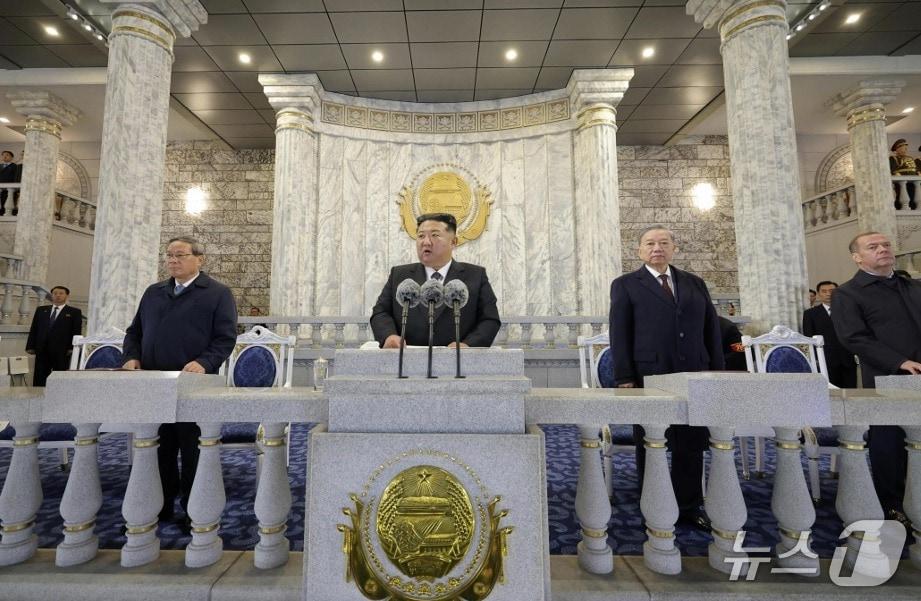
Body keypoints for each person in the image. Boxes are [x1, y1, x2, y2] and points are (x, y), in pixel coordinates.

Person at [609, 225, 724, 530]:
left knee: (691, 441)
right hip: (650, 374)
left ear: (674, 248)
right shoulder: (626, 285)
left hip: (694, 373)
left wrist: (717, 371)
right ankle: (654, 500)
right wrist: (624, 378)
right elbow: (619, 334)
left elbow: (711, 329)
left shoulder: (694, 283)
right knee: (652, 440)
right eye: (650, 243)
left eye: (663, 242)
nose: (657, 248)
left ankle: (689, 504)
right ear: (639, 250)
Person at [122, 236, 237, 533]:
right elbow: (134, 332)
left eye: (180, 255)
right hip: (153, 384)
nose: (173, 260)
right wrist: (132, 357)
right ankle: (158, 506)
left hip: (193, 385)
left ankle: (194, 509)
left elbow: (225, 338)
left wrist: (205, 362)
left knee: (193, 450)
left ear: (199, 259)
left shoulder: (217, 294)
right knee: (157, 448)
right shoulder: (153, 292)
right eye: (169, 255)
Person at [832, 231, 921, 526]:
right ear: (857, 257)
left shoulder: (912, 286)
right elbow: (854, 338)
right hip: (887, 379)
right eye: (873, 247)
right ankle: (894, 505)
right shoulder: (848, 293)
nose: (883, 249)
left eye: (885, 245)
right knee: (890, 443)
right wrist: (900, 362)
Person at [371, 212, 500, 348]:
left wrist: (468, 345)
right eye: (421, 236)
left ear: (453, 242)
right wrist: (388, 336)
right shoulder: (399, 275)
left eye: (435, 235)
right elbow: (381, 312)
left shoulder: (475, 275)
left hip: (459, 362)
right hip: (406, 360)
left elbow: (489, 319)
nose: (426, 242)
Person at [802, 281, 856, 388]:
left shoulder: (849, 311)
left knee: (850, 392)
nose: (828, 294)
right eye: (824, 291)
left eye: (832, 291)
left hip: (847, 359)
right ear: (818, 294)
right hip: (825, 360)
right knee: (829, 394)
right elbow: (809, 337)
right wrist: (815, 359)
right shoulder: (810, 314)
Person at [25, 285, 82, 386]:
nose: (58, 295)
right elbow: (34, 328)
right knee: (40, 375)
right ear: (52, 295)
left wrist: (72, 348)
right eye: (55, 293)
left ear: (67, 296)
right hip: (42, 348)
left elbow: (76, 331)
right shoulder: (41, 310)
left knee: (59, 375)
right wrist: (30, 346)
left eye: (61, 293)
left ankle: (58, 395)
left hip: (62, 350)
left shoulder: (74, 312)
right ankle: (38, 395)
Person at [890, 139, 918, 210]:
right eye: (903, 147)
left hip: (914, 181)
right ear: (897, 149)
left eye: (906, 148)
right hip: (903, 182)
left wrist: (918, 173)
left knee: (915, 196)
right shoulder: (894, 158)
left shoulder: (910, 158)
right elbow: (893, 170)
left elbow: (915, 169)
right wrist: (897, 174)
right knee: (903, 196)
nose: (906, 149)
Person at [0, 150, 20, 216]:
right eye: (3, 155)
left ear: (12, 157)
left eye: (7, 155)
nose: (5, 156)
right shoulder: (0, 166)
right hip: (1, 189)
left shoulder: (15, 166)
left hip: (9, 189)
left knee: (8, 203)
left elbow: (16, 177)